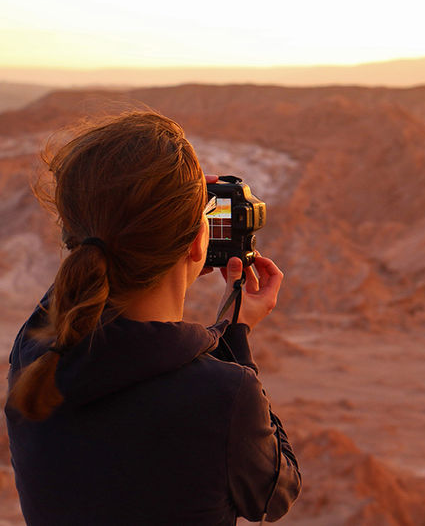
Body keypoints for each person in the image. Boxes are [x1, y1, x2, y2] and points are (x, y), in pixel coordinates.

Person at [4, 112, 301, 524]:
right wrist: (236, 338)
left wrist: (165, 224)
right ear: (198, 242)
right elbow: (276, 495)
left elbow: (90, 257)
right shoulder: (224, 395)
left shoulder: (35, 349)